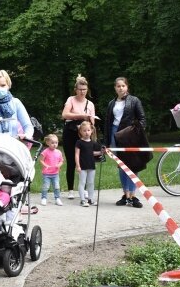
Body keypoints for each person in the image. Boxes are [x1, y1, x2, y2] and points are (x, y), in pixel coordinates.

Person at [103, 77, 145, 208]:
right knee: (121, 166)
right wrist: (106, 142)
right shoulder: (111, 103)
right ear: (115, 88)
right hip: (115, 135)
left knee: (133, 165)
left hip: (130, 136)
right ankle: (125, 195)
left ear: (127, 87)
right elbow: (107, 124)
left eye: (123, 86)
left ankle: (133, 196)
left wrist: (135, 130)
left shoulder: (134, 100)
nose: (121, 88)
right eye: (118, 86)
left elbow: (142, 119)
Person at [61, 75, 96, 200]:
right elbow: (64, 114)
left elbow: (92, 122)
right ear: (76, 89)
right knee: (71, 161)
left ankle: (85, 189)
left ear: (87, 90)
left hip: (84, 134)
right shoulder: (71, 99)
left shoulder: (90, 104)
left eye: (84, 89)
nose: (82, 92)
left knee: (85, 160)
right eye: (80, 89)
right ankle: (70, 190)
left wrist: (90, 120)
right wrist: (81, 115)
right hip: (70, 133)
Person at [75, 121, 102, 207]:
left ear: (91, 131)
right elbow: (77, 154)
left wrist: (102, 152)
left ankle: (90, 199)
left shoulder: (93, 143)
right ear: (80, 132)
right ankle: (82, 200)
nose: (86, 132)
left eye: (88, 130)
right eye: (84, 130)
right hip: (82, 166)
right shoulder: (79, 142)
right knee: (82, 182)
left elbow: (93, 153)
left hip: (91, 165)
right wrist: (78, 165)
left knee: (91, 183)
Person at [39, 134, 63, 206]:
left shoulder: (59, 152)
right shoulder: (45, 152)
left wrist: (59, 165)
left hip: (55, 173)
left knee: (56, 186)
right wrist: (45, 165)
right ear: (48, 143)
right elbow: (41, 160)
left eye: (56, 143)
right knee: (46, 186)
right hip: (46, 174)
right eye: (52, 143)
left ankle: (57, 198)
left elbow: (61, 161)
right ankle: (44, 198)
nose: (54, 144)